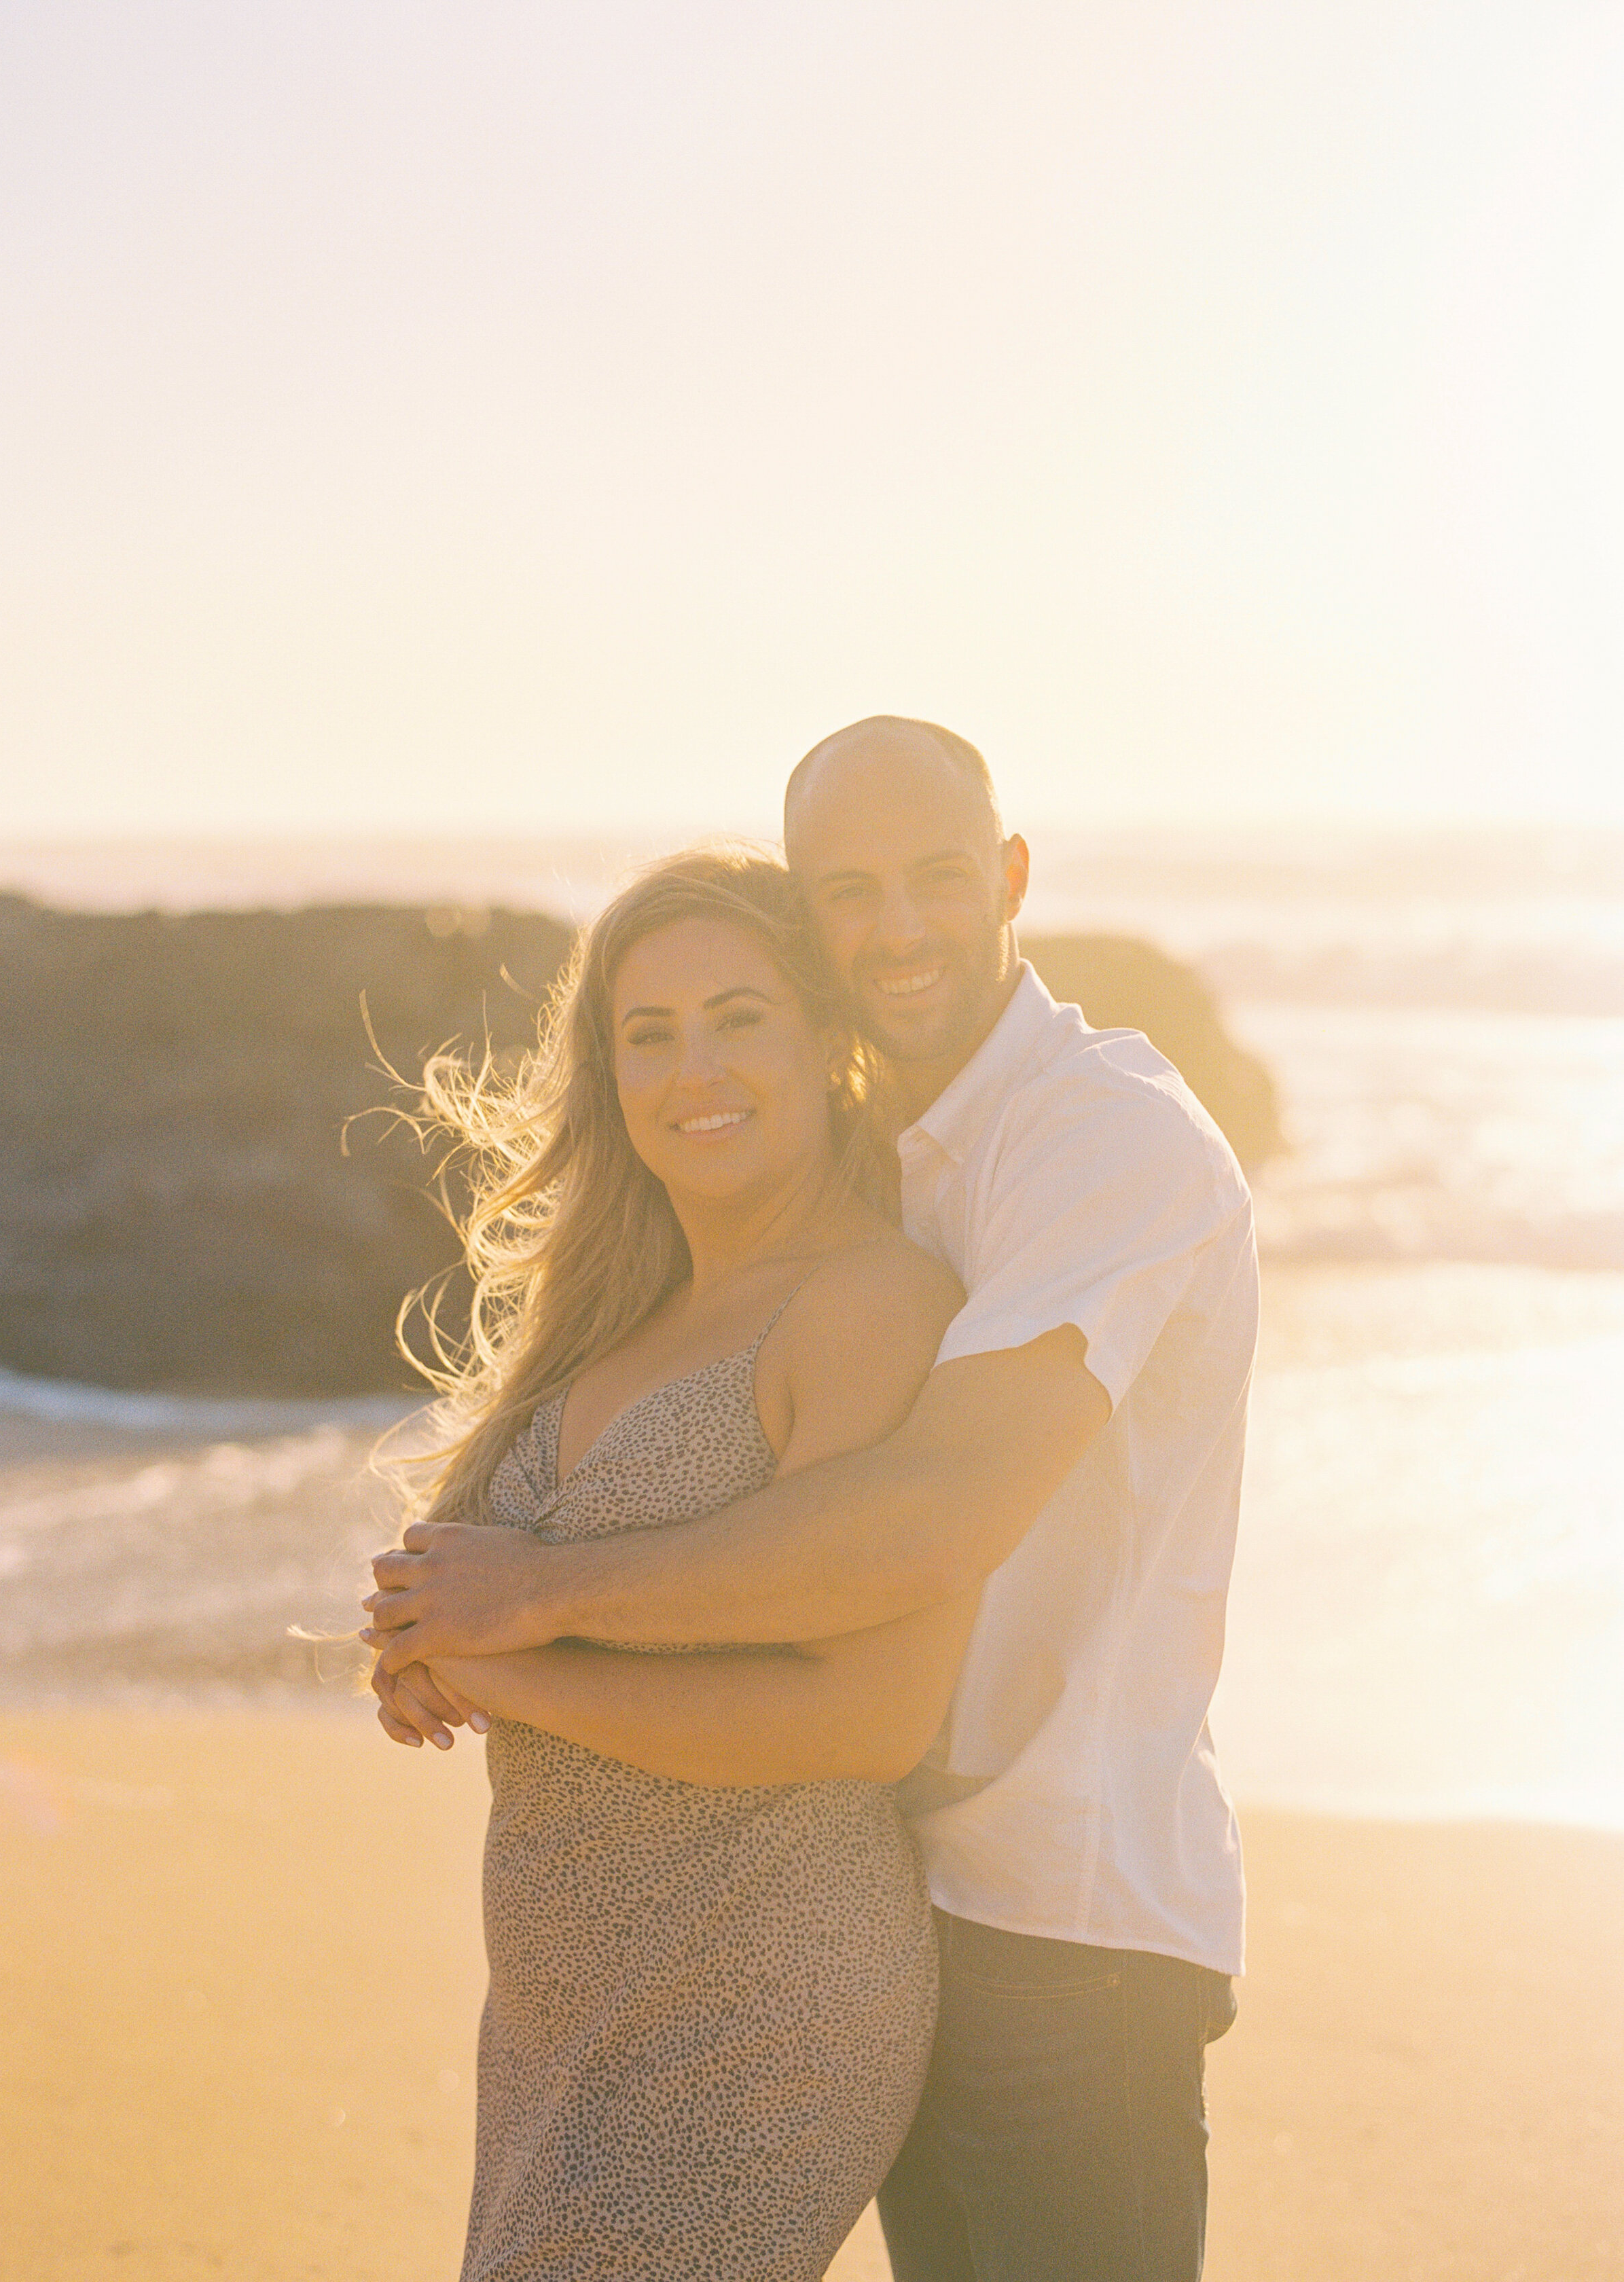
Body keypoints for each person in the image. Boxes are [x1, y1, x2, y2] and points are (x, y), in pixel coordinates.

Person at [370, 719, 1257, 2282]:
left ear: (1010, 876)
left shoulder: (1099, 1141)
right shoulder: (905, 1159)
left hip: (1066, 1921)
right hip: (906, 1897)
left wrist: (531, 1610)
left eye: (933, 878)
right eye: (847, 890)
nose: (896, 928)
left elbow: (920, 1526)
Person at [370, 846, 978, 2282]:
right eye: (647, 1035)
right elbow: (508, 1590)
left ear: (827, 1041)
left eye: (738, 1017)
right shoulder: (617, 1311)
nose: (691, 1067)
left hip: (757, 1999)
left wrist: (510, 1667)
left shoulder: (869, 1304)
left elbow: (868, 1719)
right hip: (557, 2022)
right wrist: (421, 1632)